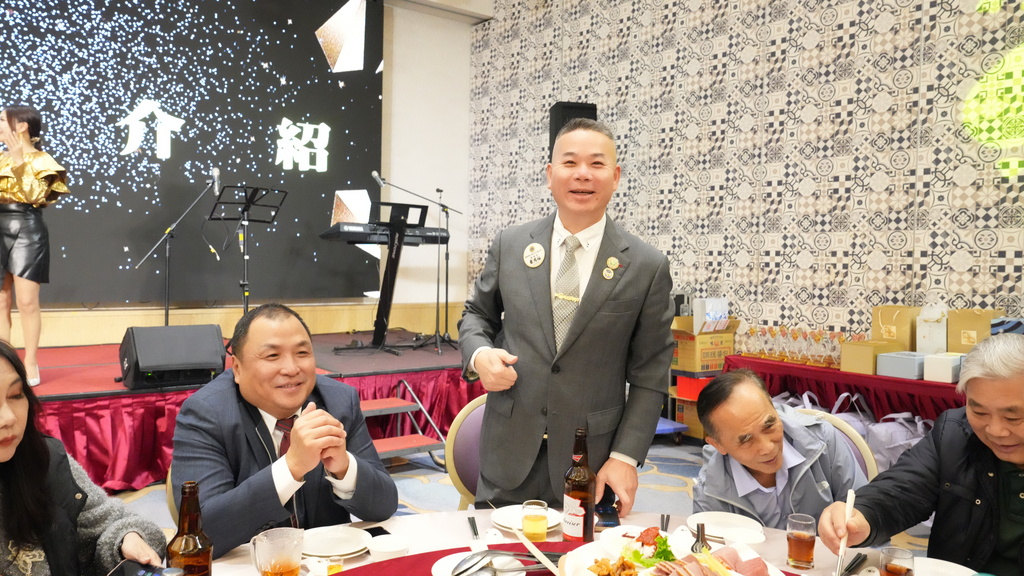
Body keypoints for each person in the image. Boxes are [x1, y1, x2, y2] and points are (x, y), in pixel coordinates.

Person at [458, 117, 675, 515]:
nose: (582, 174)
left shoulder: (647, 266)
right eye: (570, 162)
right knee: (499, 551)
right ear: (549, 174)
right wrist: (479, 355)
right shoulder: (510, 245)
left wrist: (625, 457)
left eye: (597, 164)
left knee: (584, 553)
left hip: (592, 463)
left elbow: (651, 373)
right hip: (507, 452)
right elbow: (476, 316)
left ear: (615, 176)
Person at [171, 303, 398, 558]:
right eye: (272, 356)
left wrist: (345, 467)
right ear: (237, 369)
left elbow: (384, 506)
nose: (291, 369)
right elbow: (201, 532)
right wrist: (291, 467)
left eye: (302, 353)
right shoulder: (206, 413)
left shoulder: (338, 402)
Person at [819, 332, 1024, 576]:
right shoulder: (955, 434)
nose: (996, 431)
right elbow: (902, 489)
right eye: (979, 413)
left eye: (1013, 417)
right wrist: (862, 515)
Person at [0, 338, 165, 576]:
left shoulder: (43, 460)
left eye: (16, 395)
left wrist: (126, 538)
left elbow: (110, 522)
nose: (8, 418)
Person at [691, 369, 866, 528]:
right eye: (746, 439)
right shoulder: (710, 490)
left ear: (773, 406)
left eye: (769, 426)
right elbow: (711, 550)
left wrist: (856, 523)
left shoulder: (821, 441)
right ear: (718, 445)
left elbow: (865, 510)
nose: (767, 448)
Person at [0, 105, 69, 388]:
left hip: (27, 228)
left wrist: (19, 163)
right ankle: (4, 362)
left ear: (22, 126)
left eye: (2, 120)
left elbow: (36, 197)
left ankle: (30, 361)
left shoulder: (43, 160)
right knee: (1, 300)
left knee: (27, 301)